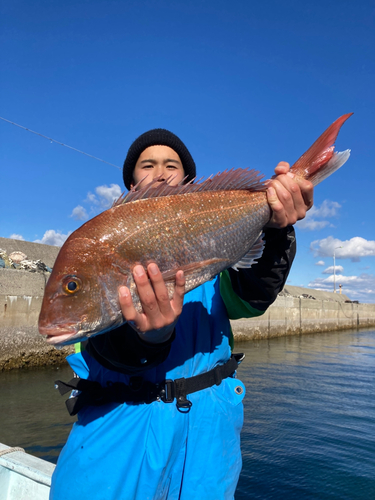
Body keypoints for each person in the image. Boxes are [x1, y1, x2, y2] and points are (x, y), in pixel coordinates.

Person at [50, 129, 313, 500]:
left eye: (171, 165)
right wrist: (146, 339)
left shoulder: (217, 263)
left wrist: (279, 231)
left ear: (188, 182)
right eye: (148, 165)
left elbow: (252, 298)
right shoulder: (104, 243)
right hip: (117, 439)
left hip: (208, 447)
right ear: (130, 182)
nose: (160, 173)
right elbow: (97, 346)